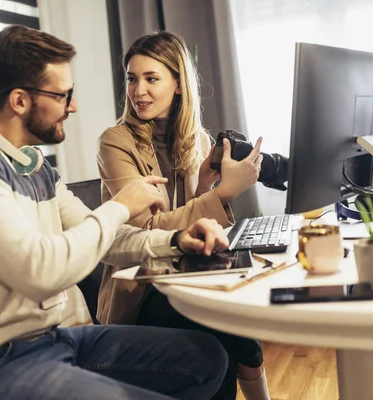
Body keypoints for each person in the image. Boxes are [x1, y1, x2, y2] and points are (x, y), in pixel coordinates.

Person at [0, 25, 231, 400]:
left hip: (47, 341)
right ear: (20, 101)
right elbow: (39, 272)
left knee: (206, 358)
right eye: (62, 95)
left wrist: (175, 240)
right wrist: (120, 206)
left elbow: (105, 241)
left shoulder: (34, 166)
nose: (72, 107)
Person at [97, 31, 270, 400]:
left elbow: (204, 229)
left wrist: (208, 190)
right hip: (142, 288)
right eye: (132, 78)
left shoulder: (200, 141)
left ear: (178, 84)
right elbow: (151, 229)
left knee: (234, 313)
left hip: (188, 274)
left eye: (151, 78)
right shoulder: (115, 142)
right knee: (221, 330)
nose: (138, 90)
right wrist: (222, 193)